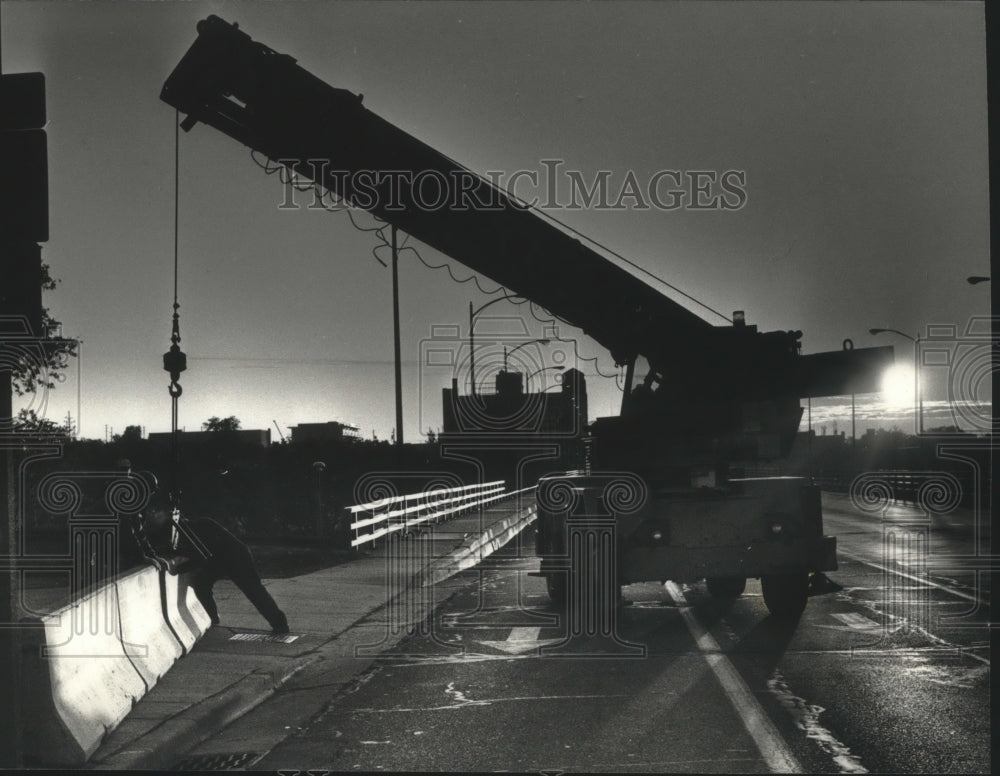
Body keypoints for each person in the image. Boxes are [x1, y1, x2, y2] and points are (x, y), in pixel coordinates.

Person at [138, 496, 289, 634]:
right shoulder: (187, 529)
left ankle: (280, 624)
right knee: (201, 585)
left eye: (157, 512)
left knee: (253, 591)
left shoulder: (192, 531)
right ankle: (212, 617)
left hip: (235, 557)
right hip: (218, 558)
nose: (154, 515)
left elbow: (200, 559)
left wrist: (177, 569)